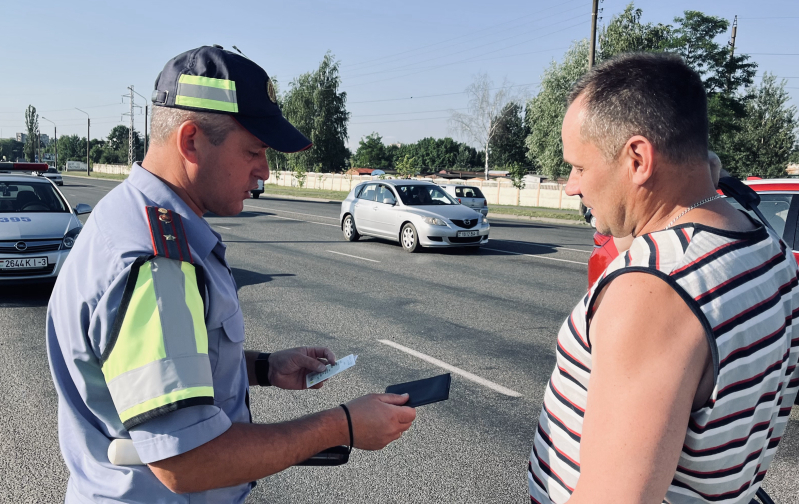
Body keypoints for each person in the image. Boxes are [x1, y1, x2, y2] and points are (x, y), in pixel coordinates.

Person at [46, 45, 415, 503]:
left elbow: (156, 371)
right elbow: (187, 461)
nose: (263, 172)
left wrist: (263, 367)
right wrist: (342, 425)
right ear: (191, 141)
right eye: (253, 151)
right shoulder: (158, 264)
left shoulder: (129, 217)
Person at [528, 52, 799, 504]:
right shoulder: (761, 242)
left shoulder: (652, 292)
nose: (571, 186)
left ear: (638, 158)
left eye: (577, 166)